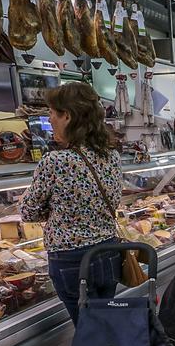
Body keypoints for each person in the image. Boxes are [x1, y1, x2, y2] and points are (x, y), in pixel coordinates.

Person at [20, 83, 122, 323]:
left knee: (87, 332)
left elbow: (28, 211)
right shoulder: (112, 156)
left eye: (52, 113)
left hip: (71, 261)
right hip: (108, 253)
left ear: (67, 116)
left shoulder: (55, 161)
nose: (49, 119)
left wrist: (53, 209)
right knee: (104, 326)